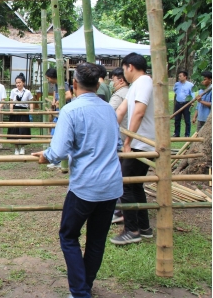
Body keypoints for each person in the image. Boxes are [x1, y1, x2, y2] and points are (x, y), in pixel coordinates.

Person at [32, 62, 122, 298]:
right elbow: (119, 145)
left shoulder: (71, 110)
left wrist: (45, 156)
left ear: (74, 84)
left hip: (85, 187)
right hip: (111, 186)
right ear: (97, 84)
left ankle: (80, 292)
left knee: (68, 235)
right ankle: (85, 287)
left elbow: (58, 150)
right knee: (96, 240)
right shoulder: (108, 109)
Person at [111, 52, 154, 245]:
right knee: (135, 184)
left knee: (125, 184)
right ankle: (144, 227)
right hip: (137, 142)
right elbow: (121, 111)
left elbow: (139, 112)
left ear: (130, 67)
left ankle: (132, 229)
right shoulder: (135, 85)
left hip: (141, 143)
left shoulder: (144, 81)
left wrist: (128, 142)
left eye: (124, 70)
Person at [108, 67, 129, 224]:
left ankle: (120, 209)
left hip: (121, 139)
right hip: (128, 138)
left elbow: (109, 114)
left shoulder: (119, 95)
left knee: (120, 175)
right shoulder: (131, 92)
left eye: (113, 80)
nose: (112, 83)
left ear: (120, 80)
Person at [45, 68, 72, 167]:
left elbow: (69, 95)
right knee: (54, 134)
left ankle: (59, 161)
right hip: (58, 112)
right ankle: (57, 160)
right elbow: (55, 93)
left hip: (63, 112)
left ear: (52, 77)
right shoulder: (56, 85)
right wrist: (54, 100)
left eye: (48, 78)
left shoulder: (63, 84)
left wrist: (58, 101)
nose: (48, 80)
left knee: (58, 135)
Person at [8, 73, 33, 155]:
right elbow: (11, 101)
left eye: (19, 82)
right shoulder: (13, 91)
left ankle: (22, 147)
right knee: (14, 129)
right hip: (15, 111)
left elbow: (31, 102)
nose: (18, 84)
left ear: (23, 83)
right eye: (16, 83)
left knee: (23, 129)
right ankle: (16, 148)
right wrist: (11, 110)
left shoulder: (28, 92)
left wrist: (31, 110)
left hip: (24, 111)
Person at [172, 70, 194, 137]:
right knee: (177, 119)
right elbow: (175, 90)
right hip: (178, 103)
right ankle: (176, 133)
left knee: (187, 120)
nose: (179, 77)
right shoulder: (177, 84)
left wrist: (191, 102)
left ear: (185, 77)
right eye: (179, 76)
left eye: (180, 76)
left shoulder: (190, 85)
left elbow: (192, 94)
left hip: (186, 104)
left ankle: (187, 134)